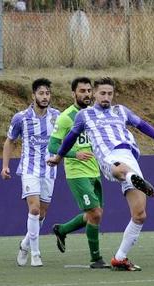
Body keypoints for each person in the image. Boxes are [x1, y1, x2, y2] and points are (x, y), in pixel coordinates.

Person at [47, 77, 154, 271]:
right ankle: (132, 179)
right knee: (120, 170)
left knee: (140, 215)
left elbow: (143, 125)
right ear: (94, 93)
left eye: (110, 94)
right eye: (102, 93)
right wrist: (59, 157)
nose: (106, 97)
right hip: (108, 157)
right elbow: (70, 138)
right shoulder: (84, 116)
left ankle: (120, 258)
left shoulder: (121, 111)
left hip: (129, 155)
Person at [48, 77, 109, 269]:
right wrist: (75, 153)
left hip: (94, 170)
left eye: (89, 91)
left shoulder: (94, 114)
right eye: (82, 91)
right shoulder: (66, 117)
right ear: (73, 93)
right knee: (95, 213)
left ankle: (62, 229)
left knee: (95, 214)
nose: (87, 94)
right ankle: (96, 259)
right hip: (76, 172)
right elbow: (53, 145)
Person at [1, 78, 60, 267]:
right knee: (33, 209)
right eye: (41, 93)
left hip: (50, 169)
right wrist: (5, 165)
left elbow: (66, 139)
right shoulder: (21, 118)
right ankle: (36, 254)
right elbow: (10, 141)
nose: (45, 97)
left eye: (47, 93)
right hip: (29, 169)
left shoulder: (57, 117)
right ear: (33, 95)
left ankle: (25, 244)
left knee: (41, 214)